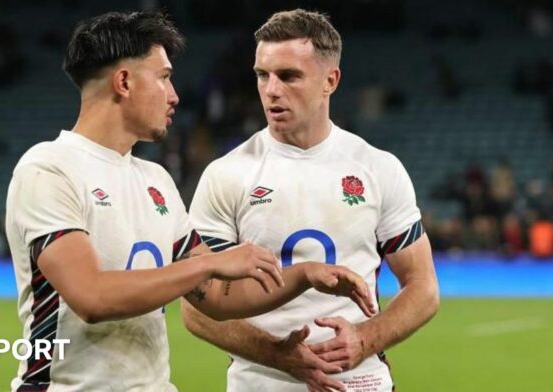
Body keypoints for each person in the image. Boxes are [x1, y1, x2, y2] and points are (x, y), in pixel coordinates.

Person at [5, 11, 375, 392]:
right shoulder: (48, 170)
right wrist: (212, 264)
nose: (174, 95)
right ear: (124, 82)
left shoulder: (156, 181)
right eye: (164, 77)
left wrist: (304, 275)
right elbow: (92, 297)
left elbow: (214, 295)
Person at [182, 9, 440, 392]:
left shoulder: (377, 168)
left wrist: (365, 339)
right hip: (261, 384)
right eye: (262, 75)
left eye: (288, 76)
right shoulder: (226, 175)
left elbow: (423, 287)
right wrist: (276, 354)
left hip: (358, 382)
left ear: (330, 81)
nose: (271, 89)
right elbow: (196, 310)